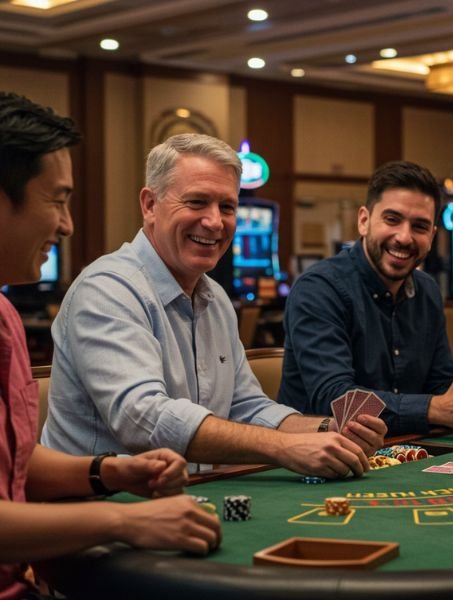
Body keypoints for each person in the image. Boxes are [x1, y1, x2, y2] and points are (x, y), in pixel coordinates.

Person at [41, 133, 386, 479]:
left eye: (227, 207)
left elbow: (245, 407)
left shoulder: (215, 298)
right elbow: (144, 418)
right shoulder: (108, 288)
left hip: (189, 495)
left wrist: (327, 430)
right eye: (196, 202)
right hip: (99, 510)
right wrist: (283, 447)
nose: (215, 222)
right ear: (149, 205)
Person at [0, 92, 220, 599]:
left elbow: (15, 464)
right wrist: (121, 522)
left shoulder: (6, 314)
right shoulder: (108, 286)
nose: (68, 223)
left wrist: (109, 472)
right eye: (56, 199)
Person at [279, 160, 453, 435]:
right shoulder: (319, 288)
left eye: (419, 226)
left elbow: (440, 385)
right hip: (319, 458)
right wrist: (434, 409)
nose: (404, 237)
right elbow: (335, 398)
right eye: (392, 220)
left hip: (405, 452)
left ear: (432, 236)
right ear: (364, 221)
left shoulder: (427, 290)